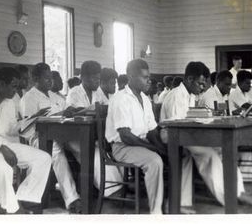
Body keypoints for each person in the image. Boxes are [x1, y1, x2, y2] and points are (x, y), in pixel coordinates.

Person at [161, 62, 252, 207]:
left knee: (224, 151)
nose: (202, 87)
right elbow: (176, 126)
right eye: (200, 84)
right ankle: (228, 197)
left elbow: (189, 120)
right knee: (209, 155)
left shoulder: (189, 95)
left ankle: (238, 191)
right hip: (172, 135)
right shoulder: (176, 95)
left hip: (188, 133)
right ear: (189, 79)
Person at [106, 59, 194, 214]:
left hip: (140, 143)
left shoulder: (145, 99)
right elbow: (126, 136)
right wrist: (154, 149)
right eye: (144, 77)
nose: (149, 81)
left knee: (181, 154)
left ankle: (176, 203)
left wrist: (163, 148)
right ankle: (156, 212)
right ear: (131, 76)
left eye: (149, 77)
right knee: (155, 161)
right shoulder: (121, 99)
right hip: (122, 147)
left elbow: (152, 130)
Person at [0, 67, 51, 214]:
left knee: (43, 158)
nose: (16, 91)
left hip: (4, 144)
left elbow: (11, 128)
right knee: (2, 168)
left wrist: (31, 120)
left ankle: (27, 199)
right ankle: (13, 209)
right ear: (1, 84)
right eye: (14, 86)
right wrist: (0, 147)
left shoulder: (9, 102)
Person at [20, 63, 82, 213]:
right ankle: (72, 198)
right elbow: (27, 127)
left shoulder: (56, 97)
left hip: (62, 134)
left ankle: (95, 188)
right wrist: (60, 115)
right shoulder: (29, 98)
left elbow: (64, 116)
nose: (50, 81)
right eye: (46, 78)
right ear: (35, 78)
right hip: (38, 138)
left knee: (81, 147)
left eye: (51, 78)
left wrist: (70, 112)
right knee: (55, 149)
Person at [65, 63, 123, 196]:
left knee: (110, 151)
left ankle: (119, 185)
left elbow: (107, 108)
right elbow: (76, 113)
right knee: (95, 156)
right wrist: (92, 110)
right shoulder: (75, 92)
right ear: (84, 78)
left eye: (99, 79)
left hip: (93, 135)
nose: (98, 82)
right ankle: (110, 190)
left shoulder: (97, 93)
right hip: (75, 137)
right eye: (95, 79)